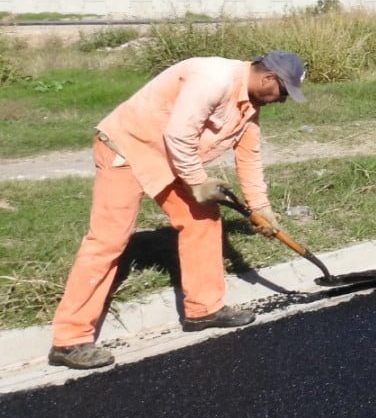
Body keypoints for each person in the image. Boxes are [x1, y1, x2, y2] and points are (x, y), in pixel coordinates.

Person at [48, 50, 307, 371]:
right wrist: (198, 182)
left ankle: (203, 309)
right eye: (284, 93)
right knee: (108, 240)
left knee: (204, 220)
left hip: (170, 158)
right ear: (269, 78)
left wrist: (261, 207)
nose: (282, 101)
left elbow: (249, 156)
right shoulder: (214, 79)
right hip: (127, 148)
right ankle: (69, 339)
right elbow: (179, 135)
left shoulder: (249, 104)